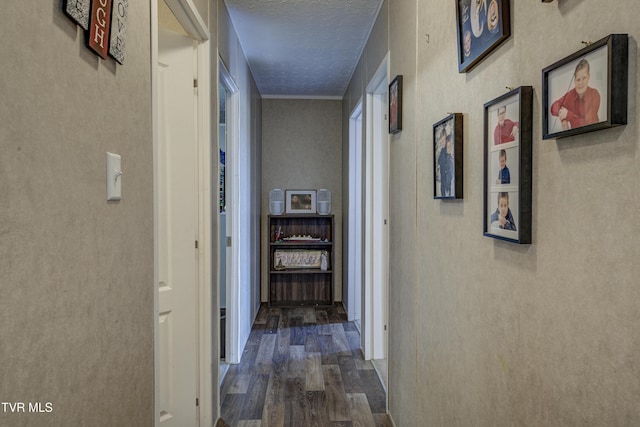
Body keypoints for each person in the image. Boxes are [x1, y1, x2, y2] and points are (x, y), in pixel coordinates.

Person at [550, 58, 601, 130]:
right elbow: (553, 107)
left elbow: (589, 124)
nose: (581, 83)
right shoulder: (570, 95)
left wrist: (568, 115)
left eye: (584, 78)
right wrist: (562, 117)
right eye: (578, 79)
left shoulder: (594, 95)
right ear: (574, 81)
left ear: (589, 77)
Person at [437, 130, 454, 197]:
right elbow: (439, 161)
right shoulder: (442, 151)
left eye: (444, 141)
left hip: (448, 178)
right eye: (442, 141)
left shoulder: (448, 153)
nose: (442, 143)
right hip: (443, 177)